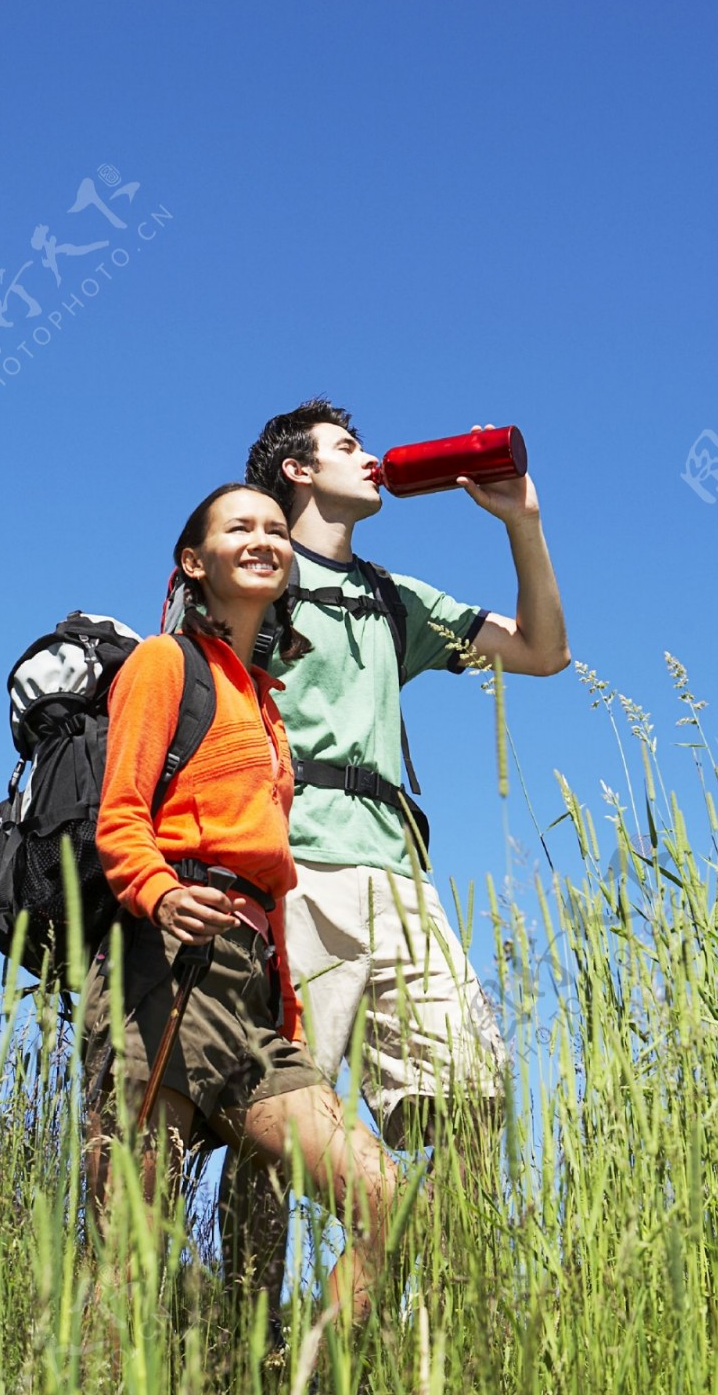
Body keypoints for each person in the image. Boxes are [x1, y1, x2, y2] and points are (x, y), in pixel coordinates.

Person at [219, 399, 570, 1292]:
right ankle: (250, 1339)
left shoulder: (390, 597)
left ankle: (386, 1336)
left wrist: (521, 523)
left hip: (402, 879)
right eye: (346, 447)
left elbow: (541, 650)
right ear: (297, 470)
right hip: (293, 870)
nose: (370, 458)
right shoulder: (255, 569)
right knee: (281, 1117)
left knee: (469, 1105)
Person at [80, 482, 399, 1332]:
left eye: (273, 528)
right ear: (196, 561)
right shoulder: (164, 664)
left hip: (252, 992)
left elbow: (270, 879)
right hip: (166, 970)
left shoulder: (267, 705)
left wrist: (284, 1004)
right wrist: (159, 894)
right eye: (239, 527)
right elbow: (121, 817)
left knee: (382, 1198)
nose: (264, 538)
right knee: (132, 1250)